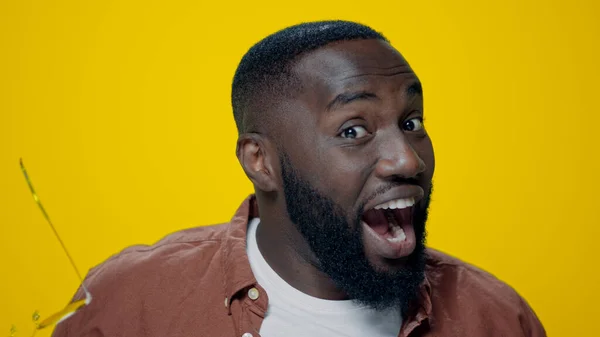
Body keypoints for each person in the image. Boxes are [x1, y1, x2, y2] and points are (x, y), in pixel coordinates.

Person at [52, 20, 546, 337]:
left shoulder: (498, 318)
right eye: (354, 129)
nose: (406, 161)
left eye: (411, 122)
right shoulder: (129, 307)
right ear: (260, 161)